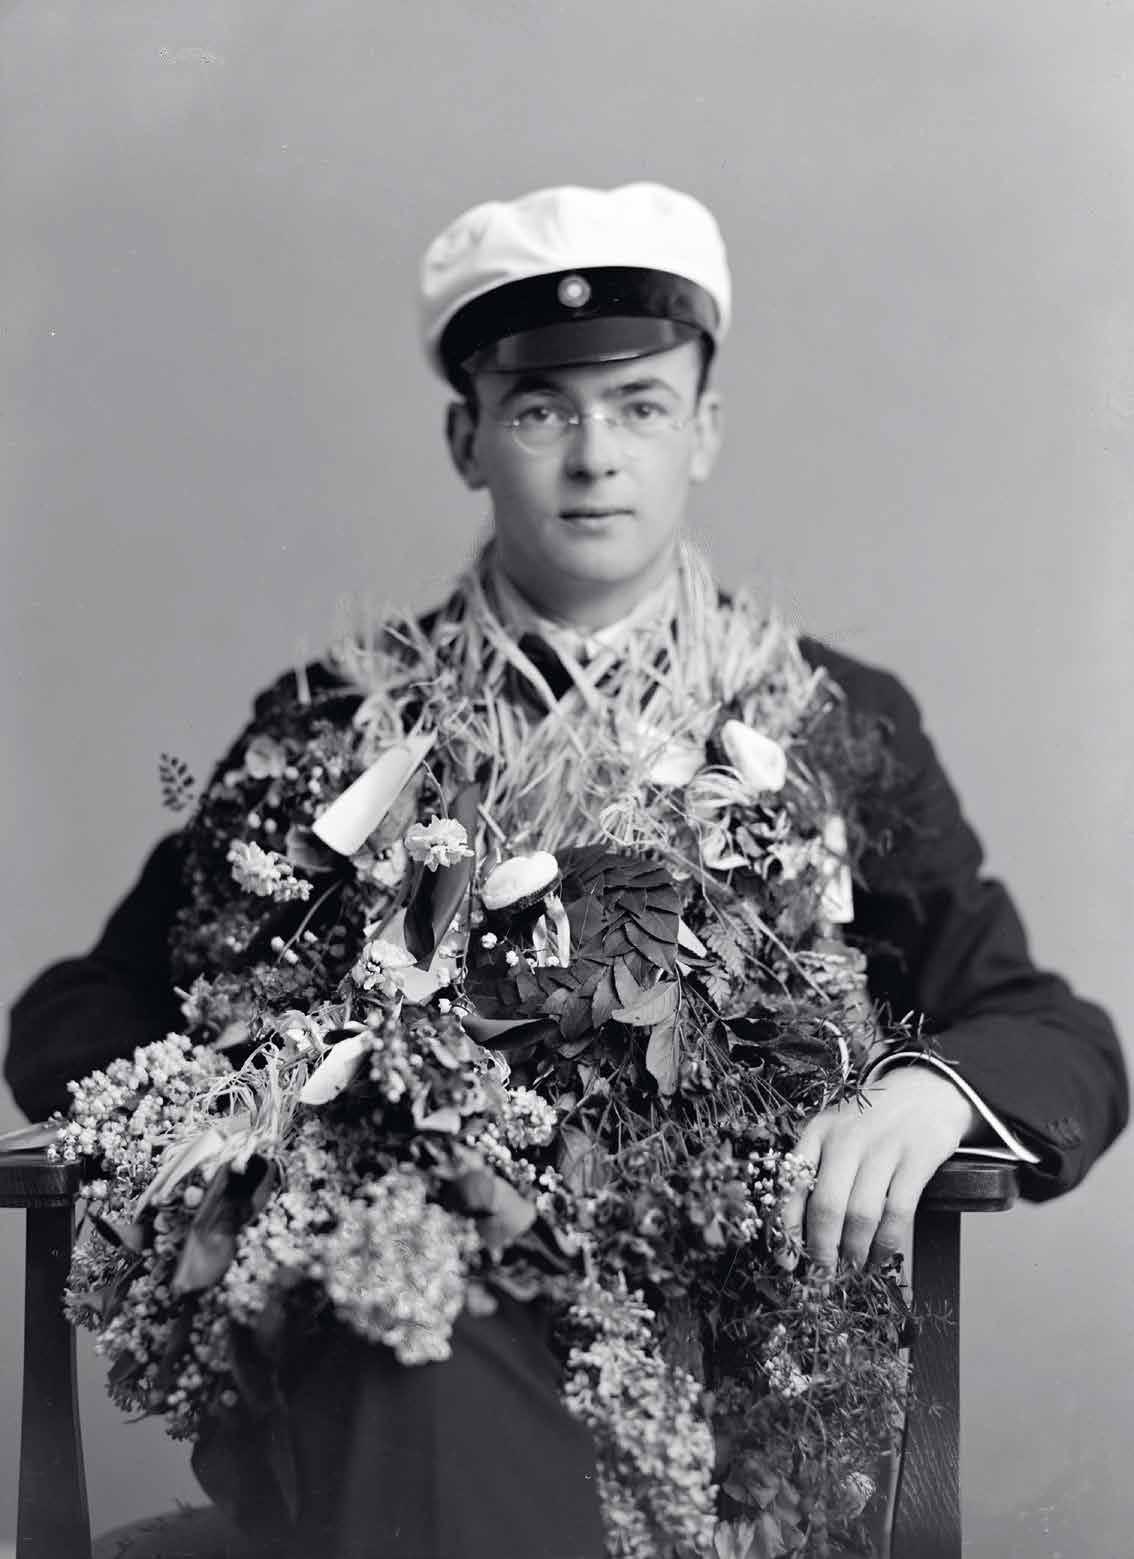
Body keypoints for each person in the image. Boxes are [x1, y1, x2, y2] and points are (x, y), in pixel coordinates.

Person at [6, 182, 1128, 1558]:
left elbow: (1047, 1028)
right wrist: (235, 1127)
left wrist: (928, 1091)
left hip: (718, 1366)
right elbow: (81, 1007)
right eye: (541, 410)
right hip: (393, 1318)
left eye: (640, 406)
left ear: (702, 431)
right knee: (408, 1332)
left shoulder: (823, 718)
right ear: (465, 437)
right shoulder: (334, 731)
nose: (595, 458)